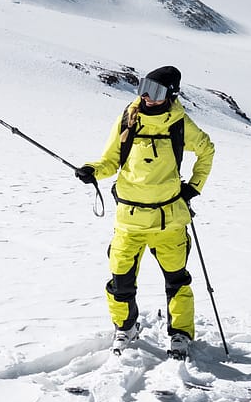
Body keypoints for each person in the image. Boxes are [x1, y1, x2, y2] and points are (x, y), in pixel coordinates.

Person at [75, 66, 215, 358]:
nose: (148, 97)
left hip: (169, 221)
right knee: (120, 280)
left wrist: (193, 188)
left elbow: (206, 150)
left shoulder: (178, 122)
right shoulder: (129, 118)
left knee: (176, 280)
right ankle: (125, 327)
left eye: (157, 91)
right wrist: (93, 171)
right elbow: (112, 159)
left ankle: (180, 335)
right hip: (130, 220)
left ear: (171, 94)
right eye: (144, 88)